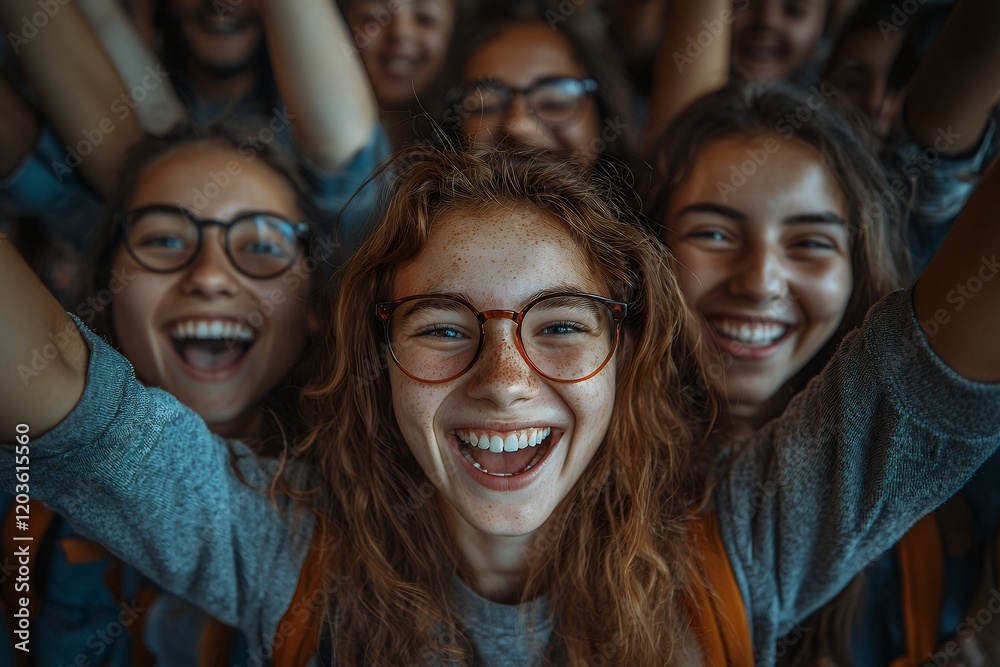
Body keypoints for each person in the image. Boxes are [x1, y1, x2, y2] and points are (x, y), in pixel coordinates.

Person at [1, 143, 999, 666]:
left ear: (623, 356)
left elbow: (934, 380)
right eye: (442, 327)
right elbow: (78, 418)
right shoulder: (287, 553)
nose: (505, 379)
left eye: (560, 323)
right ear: (380, 363)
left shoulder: (739, 545)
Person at [0, 120, 323, 666]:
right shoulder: (19, 491)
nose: (210, 276)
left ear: (314, 305)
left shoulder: (357, 518)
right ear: (107, 282)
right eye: (165, 240)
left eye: (261, 246)